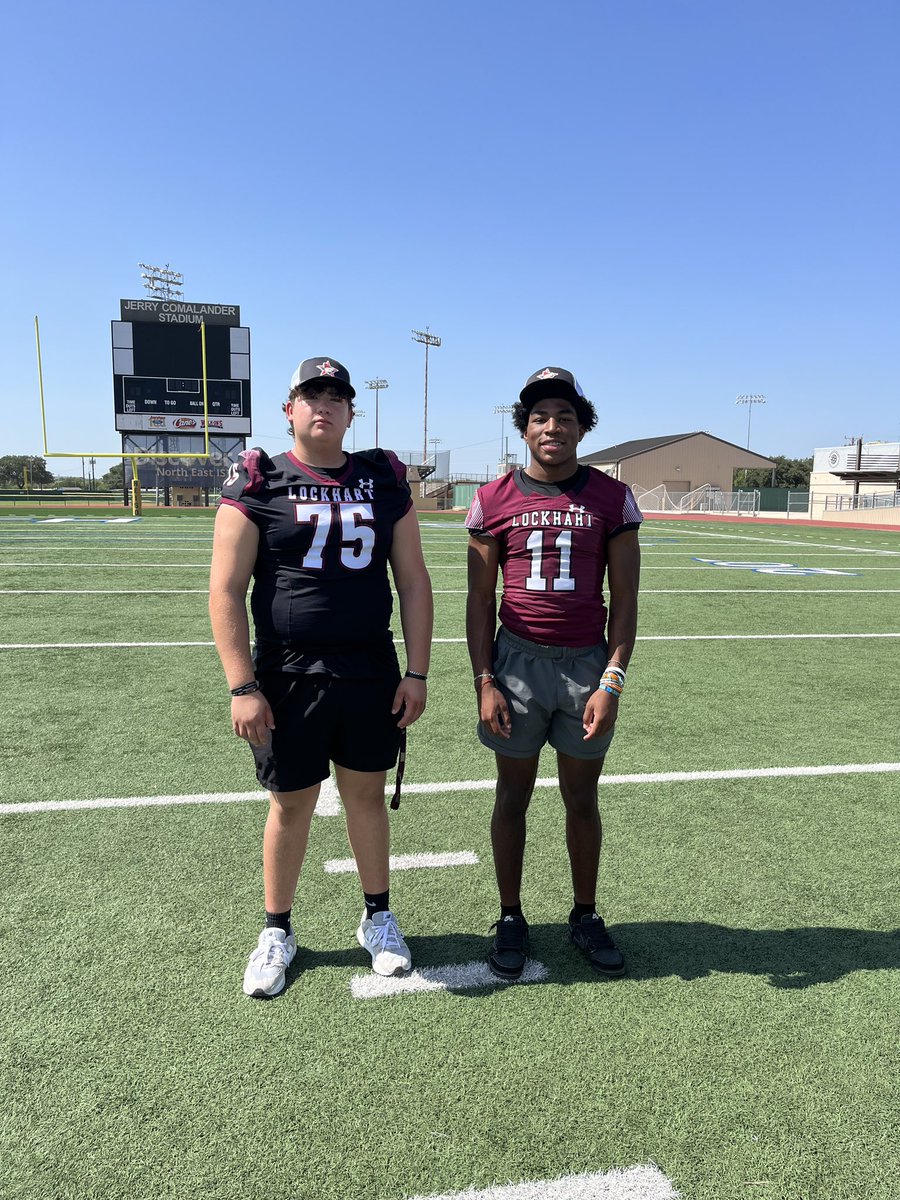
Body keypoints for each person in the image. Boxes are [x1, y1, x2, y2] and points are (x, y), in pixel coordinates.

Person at [210, 356, 433, 998]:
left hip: (368, 668)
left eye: (336, 396)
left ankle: (379, 917)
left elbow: (413, 582)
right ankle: (277, 929)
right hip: (287, 673)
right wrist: (243, 685)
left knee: (364, 795)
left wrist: (417, 671)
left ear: (351, 413)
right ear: (289, 409)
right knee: (290, 802)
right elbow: (224, 590)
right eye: (311, 395)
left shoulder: (383, 478)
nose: (324, 406)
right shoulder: (259, 478)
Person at [465, 366, 641, 980]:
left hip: (586, 666)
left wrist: (611, 682)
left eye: (565, 416)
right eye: (540, 416)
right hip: (515, 663)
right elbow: (478, 602)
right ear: (524, 427)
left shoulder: (611, 498)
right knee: (512, 795)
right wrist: (484, 680)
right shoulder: (492, 498)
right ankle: (511, 915)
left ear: (582, 426)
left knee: (581, 798)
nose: (552, 426)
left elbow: (625, 602)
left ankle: (585, 914)